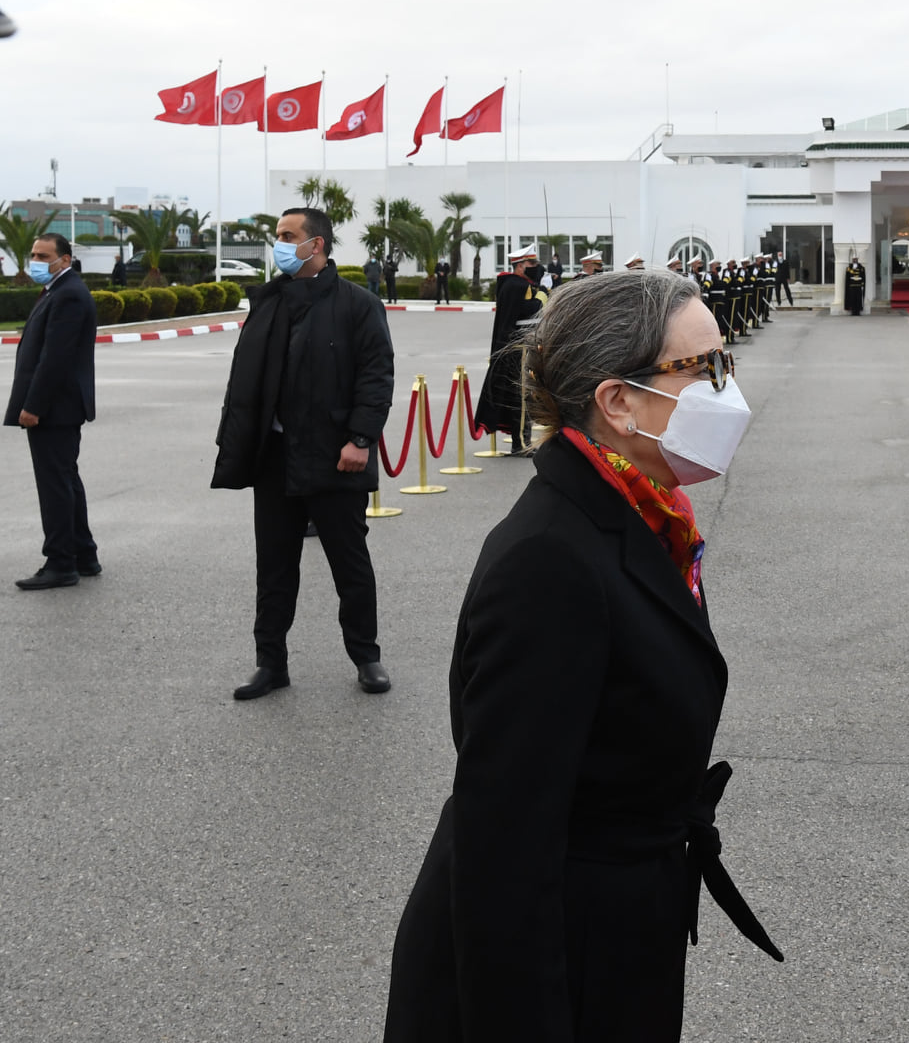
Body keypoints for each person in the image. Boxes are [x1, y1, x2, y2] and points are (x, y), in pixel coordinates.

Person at [383, 270, 781, 1040]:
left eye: (723, 363)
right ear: (617, 402)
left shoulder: (645, 512)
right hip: (559, 958)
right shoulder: (550, 562)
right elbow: (505, 840)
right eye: (702, 369)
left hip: (622, 926)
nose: (724, 390)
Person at [211, 208, 395, 699]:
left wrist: (360, 440)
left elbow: (376, 377)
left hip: (336, 457)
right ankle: (270, 663)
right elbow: (244, 382)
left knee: (350, 565)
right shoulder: (269, 302)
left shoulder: (357, 304)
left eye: (288, 236)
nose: (280, 243)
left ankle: (367, 657)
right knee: (273, 567)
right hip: (274, 458)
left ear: (316, 245)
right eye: (278, 236)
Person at [6, 234, 99, 590]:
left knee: (55, 485)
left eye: (43, 255)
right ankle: (84, 555)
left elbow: (55, 359)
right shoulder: (59, 290)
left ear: (65, 258)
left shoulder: (69, 294)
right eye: (33, 254)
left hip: (54, 407)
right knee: (65, 480)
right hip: (59, 406)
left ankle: (61, 562)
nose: (36, 261)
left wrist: (33, 406)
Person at [475, 245, 546, 452]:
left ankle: (521, 440)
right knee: (522, 396)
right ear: (521, 265)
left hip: (520, 345)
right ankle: (522, 443)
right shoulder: (516, 286)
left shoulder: (518, 284)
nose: (535, 267)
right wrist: (542, 293)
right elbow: (530, 311)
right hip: (519, 348)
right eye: (531, 264)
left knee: (521, 396)